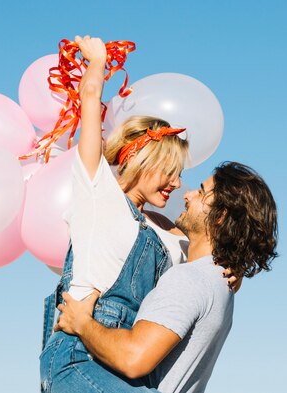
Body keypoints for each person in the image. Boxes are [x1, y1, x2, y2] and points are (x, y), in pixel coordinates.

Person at [40, 36, 238, 393]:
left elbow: (207, 256)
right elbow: (88, 101)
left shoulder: (171, 235)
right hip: (78, 355)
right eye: (170, 171)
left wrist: (234, 272)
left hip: (126, 363)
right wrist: (98, 63)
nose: (178, 183)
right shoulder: (98, 195)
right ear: (140, 160)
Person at [55, 161, 279, 393]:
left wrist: (82, 324)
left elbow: (133, 358)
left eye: (202, 192)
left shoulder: (191, 279)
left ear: (220, 216)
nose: (188, 194)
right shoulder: (221, 283)